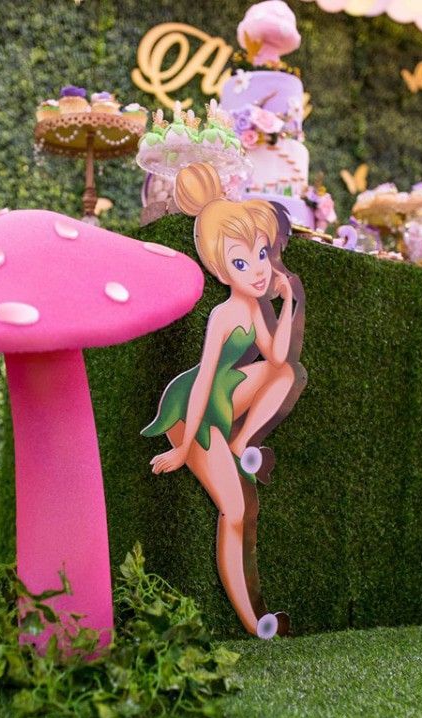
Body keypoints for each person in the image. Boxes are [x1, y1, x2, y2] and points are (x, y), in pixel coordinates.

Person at [142, 162, 307, 639]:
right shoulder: (222, 315)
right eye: (240, 263)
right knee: (234, 511)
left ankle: (242, 444)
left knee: (286, 371)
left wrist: (287, 299)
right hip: (192, 406)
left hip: (228, 394)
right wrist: (182, 447)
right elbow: (201, 383)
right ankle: (254, 620)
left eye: (261, 254)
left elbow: (278, 357)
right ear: (219, 269)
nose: (256, 270)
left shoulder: (255, 306)